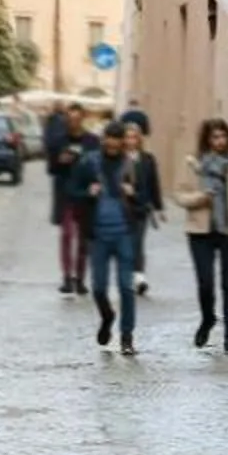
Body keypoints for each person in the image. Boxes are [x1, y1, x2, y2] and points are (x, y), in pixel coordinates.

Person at [174, 118, 228, 355]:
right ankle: (208, 318)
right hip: (200, 231)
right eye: (215, 137)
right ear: (207, 139)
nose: (220, 141)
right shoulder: (194, 164)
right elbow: (179, 195)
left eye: (223, 136)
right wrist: (199, 198)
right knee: (205, 283)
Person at [85, 119, 162, 355]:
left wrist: (134, 194)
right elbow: (73, 191)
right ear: (104, 141)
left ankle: (127, 337)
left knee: (126, 287)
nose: (114, 146)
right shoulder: (90, 163)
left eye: (118, 142)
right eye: (109, 141)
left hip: (125, 233)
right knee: (98, 288)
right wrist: (86, 192)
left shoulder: (132, 164)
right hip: (98, 234)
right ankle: (107, 316)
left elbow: (144, 197)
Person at [46, 102, 91, 292]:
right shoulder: (58, 141)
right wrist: (60, 161)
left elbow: (97, 167)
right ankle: (67, 277)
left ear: (83, 118)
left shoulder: (92, 141)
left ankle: (80, 278)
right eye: (70, 119)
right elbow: (51, 169)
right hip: (65, 194)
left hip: (86, 195)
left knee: (83, 238)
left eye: (77, 119)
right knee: (66, 235)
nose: (73, 123)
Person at [118, 110, 160, 297]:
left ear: (139, 139)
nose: (130, 141)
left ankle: (139, 277)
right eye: (127, 137)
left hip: (141, 207)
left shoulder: (148, 160)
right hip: (120, 208)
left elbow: (154, 184)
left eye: (134, 137)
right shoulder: (116, 159)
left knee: (138, 242)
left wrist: (158, 207)